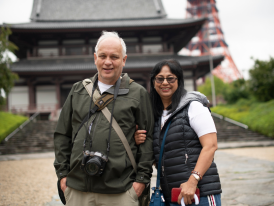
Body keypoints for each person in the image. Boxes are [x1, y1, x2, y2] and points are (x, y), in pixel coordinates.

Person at [54, 31, 154, 206]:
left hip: (121, 189)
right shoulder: (78, 90)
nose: (108, 62)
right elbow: (62, 134)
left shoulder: (137, 93)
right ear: (95, 58)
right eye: (103, 56)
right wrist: (62, 176)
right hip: (78, 188)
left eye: (114, 57)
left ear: (124, 60)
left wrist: (141, 180)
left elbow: (148, 138)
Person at [135, 59, 222, 206]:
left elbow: (211, 146)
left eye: (170, 78)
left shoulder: (193, 106)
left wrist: (192, 181)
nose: (165, 83)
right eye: (160, 79)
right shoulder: (154, 115)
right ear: (153, 82)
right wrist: (138, 140)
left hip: (199, 193)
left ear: (179, 81)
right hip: (173, 195)